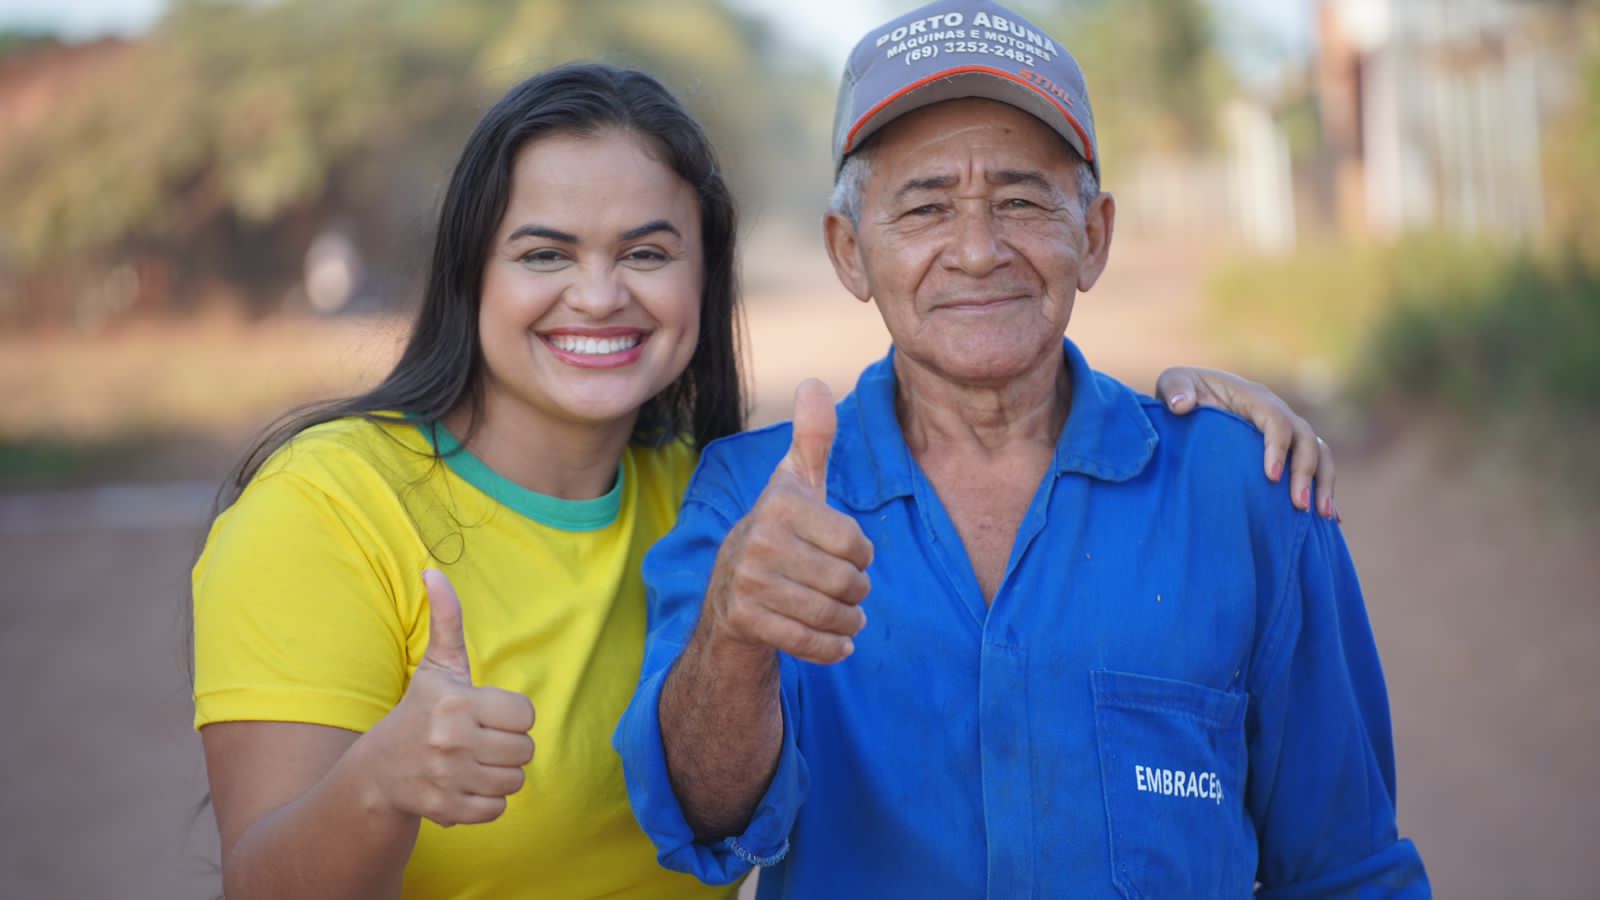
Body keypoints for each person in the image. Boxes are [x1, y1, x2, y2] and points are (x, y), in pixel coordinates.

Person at [192, 62, 1338, 900]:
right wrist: (379, 782)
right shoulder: (330, 506)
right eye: (544, 252)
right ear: (851, 255)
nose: (599, 296)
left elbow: (1346, 858)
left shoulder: (707, 489)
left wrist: (1201, 424)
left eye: (646, 252)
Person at [614, 2, 1430, 898]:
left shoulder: (1248, 488)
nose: (976, 249)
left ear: (1094, 236)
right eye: (925, 206)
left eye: (1021, 200)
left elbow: (1348, 866)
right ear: (850, 253)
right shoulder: (752, 499)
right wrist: (735, 630)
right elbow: (700, 813)